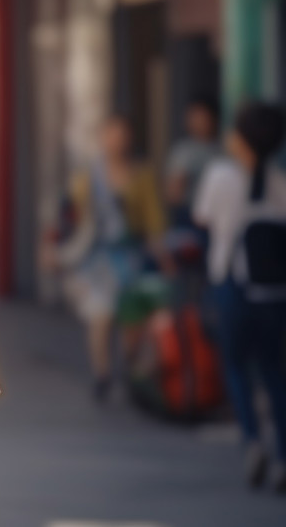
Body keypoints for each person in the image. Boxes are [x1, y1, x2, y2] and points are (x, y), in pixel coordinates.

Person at [192, 102, 286, 492]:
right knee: (275, 374)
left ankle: (251, 440)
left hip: (231, 286)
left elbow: (201, 218)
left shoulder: (221, 176)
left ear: (242, 138)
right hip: (276, 295)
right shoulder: (280, 181)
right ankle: (282, 455)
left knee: (236, 367)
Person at [52, 115, 170, 403]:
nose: (116, 141)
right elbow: (70, 214)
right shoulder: (87, 176)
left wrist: (163, 255)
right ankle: (102, 374)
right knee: (100, 315)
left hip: (130, 255)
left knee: (132, 320)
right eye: (111, 134)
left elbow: (153, 221)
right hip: (97, 256)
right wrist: (56, 246)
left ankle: (128, 368)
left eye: (122, 134)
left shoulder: (141, 175)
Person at [165, 95, 222, 227]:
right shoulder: (183, 150)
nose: (197, 121)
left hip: (218, 216)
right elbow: (173, 193)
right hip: (189, 216)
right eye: (193, 117)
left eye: (202, 116)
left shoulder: (223, 150)